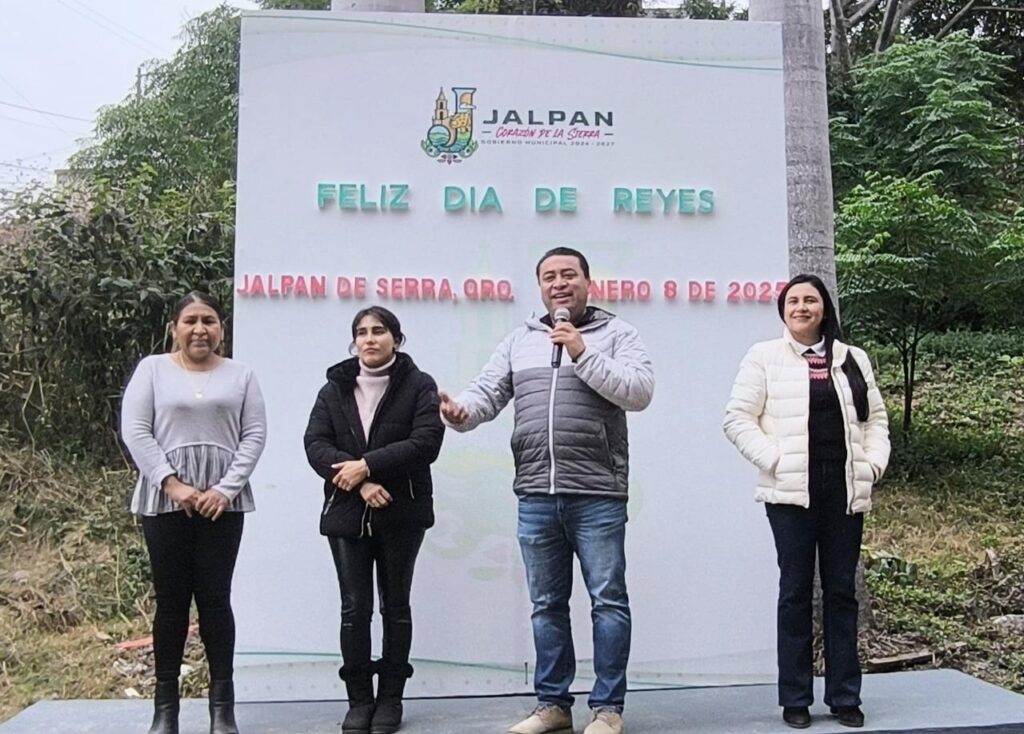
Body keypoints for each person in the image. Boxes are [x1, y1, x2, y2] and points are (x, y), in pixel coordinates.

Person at [440, 247, 654, 734]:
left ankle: (608, 709)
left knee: (608, 602)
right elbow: (486, 392)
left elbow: (639, 392)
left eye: (568, 275)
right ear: (540, 287)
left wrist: (582, 351)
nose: (559, 283)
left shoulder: (617, 334)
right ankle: (553, 705)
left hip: (598, 492)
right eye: (549, 277)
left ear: (587, 283)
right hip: (536, 492)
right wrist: (461, 413)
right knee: (546, 605)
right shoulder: (520, 340)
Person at [723, 274, 890, 729]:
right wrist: (774, 460)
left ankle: (844, 697)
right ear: (783, 310)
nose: (801, 307)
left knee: (842, 593)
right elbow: (737, 418)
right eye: (793, 300)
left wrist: (873, 465)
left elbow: (875, 420)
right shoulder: (764, 357)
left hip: (843, 492)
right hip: (790, 495)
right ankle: (795, 698)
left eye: (810, 300)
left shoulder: (852, 358)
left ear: (824, 308)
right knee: (795, 592)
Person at [121, 291, 267, 734]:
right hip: (166, 500)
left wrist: (224, 490)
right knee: (171, 603)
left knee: (216, 601)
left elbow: (254, 434)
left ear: (221, 328)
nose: (200, 329)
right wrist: (173, 484)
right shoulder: (152, 369)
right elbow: (136, 430)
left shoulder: (241, 375)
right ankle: (165, 710)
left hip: (223, 504)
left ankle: (222, 709)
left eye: (209, 321)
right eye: (191, 321)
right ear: (175, 328)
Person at [304, 306, 444, 734]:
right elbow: (315, 444)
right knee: (354, 608)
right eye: (361, 332)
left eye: (379, 331)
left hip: (403, 510)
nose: (369, 339)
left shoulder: (420, 385)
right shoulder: (334, 388)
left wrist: (368, 465)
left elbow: (426, 442)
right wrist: (360, 481)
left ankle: (391, 699)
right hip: (347, 511)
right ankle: (359, 700)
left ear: (396, 340)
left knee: (395, 605)